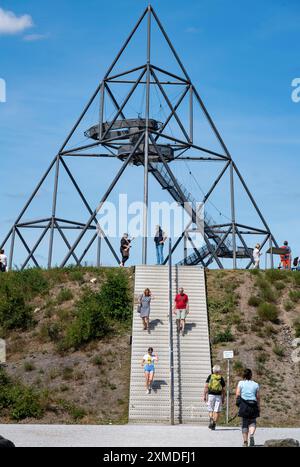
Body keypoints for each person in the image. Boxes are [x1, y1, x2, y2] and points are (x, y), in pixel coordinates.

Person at [236, 368, 260, 448]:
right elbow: (257, 397)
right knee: (253, 421)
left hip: (244, 405)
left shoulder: (241, 383)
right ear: (251, 375)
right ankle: (252, 435)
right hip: (253, 405)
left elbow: (237, 394)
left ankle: (245, 442)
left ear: (243, 375)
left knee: (244, 424)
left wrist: (238, 403)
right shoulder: (256, 384)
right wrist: (258, 406)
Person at [203, 365, 226, 431]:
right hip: (218, 396)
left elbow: (206, 387)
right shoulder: (221, 378)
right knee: (217, 411)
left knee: (210, 410)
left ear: (213, 370)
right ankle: (214, 423)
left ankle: (211, 420)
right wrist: (223, 398)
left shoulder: (210, 377)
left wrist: (204, 395)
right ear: (219, 371)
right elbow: (223, 390)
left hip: (210, 396)